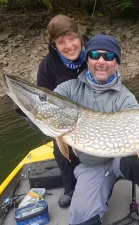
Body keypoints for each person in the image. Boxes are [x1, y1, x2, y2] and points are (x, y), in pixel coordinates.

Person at [54, 34, 139, 225]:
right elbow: (48, 109)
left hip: (121, 160)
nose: (101, 61)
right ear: (87, 59)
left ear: (116, 62)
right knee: (81, 221)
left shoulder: (126, 99)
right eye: (95, 55)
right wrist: (29, 113)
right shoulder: (68, 90)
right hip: (92, 166)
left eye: (108, 57)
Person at [15, 14, 88, 208]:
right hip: (65, 121)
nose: (69, 45)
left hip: (94, 112)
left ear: (79, 37)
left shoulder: (94, 55)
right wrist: (26, 109)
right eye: (61, 41)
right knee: (59, 145)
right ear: (54, 44)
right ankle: (70, 187)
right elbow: (44, 103)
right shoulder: (47, 67)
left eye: (72, 38)